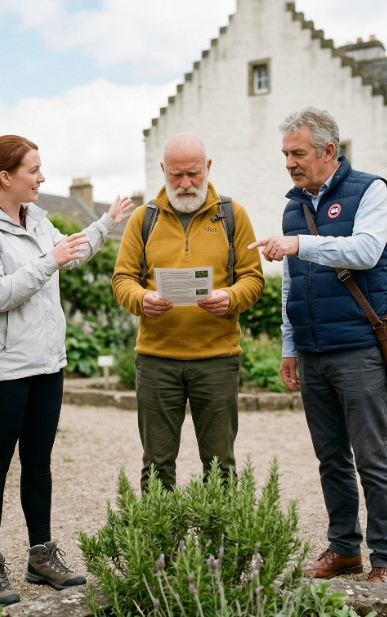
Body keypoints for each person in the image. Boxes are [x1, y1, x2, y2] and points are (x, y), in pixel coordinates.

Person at [0, 135, 135, 606]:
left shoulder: (35, 217)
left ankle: (41, 556)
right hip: (0, 367)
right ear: (5, 177)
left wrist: (105, 224)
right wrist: (47, 260)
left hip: (44, 361)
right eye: (34, 170)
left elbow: (69, 254)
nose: (42, 178)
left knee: (39, 461)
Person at [250, 107, 387, 584]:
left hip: (359, 348)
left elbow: (365, 251)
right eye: (286, 155)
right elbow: (290, 287)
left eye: (298, 153)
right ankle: (344, 550)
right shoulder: (294, 205)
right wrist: (289, 346)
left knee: (372, 457)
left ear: (328, 151)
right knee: (331, 458)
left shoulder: (371, 190)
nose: (290, 163)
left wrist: (298, 244)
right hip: (313, 353)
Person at [112, 133, 265, 492]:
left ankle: (223, 546)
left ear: (208, 168)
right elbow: (122, 279)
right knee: (156, 464)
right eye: (176, 175)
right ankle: (158, 546)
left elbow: (253, 279)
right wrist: (141, 299)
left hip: (217, 360)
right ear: (163, 170)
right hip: (156, 361)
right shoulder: (142, 219)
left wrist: (230, 297)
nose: (185, 183)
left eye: (194, 174)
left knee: (220, 463)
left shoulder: (232, 215)